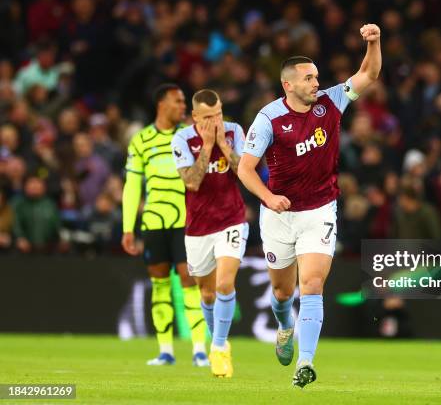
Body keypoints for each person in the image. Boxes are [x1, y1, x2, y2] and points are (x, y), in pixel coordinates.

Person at [238, 24, 382, 387]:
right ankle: (285, 325)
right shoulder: (269, 118)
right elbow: (245, 169)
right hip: (279, 215)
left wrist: (374, 42)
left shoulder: (332, 102)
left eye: (317, 76)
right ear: (288, 85)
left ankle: (306, 362)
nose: (317, 82)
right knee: (283, 292)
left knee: (313, 284)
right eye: (309, 78)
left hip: (319, 211)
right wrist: (269, 197)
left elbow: (369, 73)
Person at [121, 83, 208, 367]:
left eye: (184, 102)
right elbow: (132, 186)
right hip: (155, 222)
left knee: (189, 282)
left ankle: (199, 351)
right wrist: (127, 228)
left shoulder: (189, 138)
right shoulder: (141, 140)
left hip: (186, 221)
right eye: (178, 101)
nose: (184, 106)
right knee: (159, 285)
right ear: (162, 104)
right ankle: (166, 351)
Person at [171, 89, 248, 378]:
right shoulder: (181, 139)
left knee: (224, 284)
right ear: (194, 116)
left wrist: (223, 146)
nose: (214, 121)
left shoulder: (234, 131)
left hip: (232, 219)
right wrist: (206, 146)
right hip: (199, 226)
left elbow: (244, 171)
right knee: (206, 291)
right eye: (207, 117)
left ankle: (216, 348)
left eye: (217, 114)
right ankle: (221, 341)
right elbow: (191, 182)